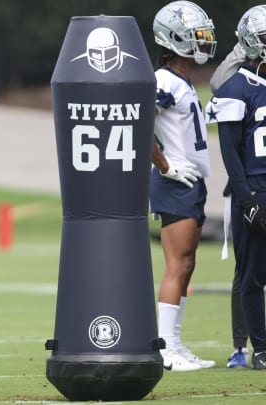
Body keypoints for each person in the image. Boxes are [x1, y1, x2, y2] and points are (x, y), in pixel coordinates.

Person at [151, 1, 217, 371]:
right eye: (196, 34)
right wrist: (164, 164)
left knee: (187, 264)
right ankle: (164, 349)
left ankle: (173, 343)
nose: (204, 40)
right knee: (178, 264)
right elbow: (140, 122)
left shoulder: (180, 80)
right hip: (173, 181)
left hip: (188, 179)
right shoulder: (162, 81)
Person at [205, 4, 266, 371]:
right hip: (254, 189)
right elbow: (229, 152)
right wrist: (246, 199)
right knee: (251, 275)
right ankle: (258, 349)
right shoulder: (235, 87)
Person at [209, 41, 251, 369]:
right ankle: (241, 346)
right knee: (246, 270)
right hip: (250, 184)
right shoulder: (243, 83)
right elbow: (219, 82)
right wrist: (243, 46)